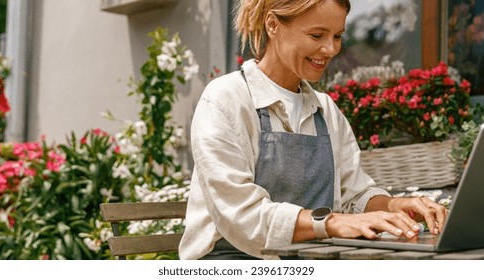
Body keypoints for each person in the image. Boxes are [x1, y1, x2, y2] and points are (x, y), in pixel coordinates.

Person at [179, 0, 448, 260]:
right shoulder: (226, 99)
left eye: (338, 36)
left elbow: (355, 193)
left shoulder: (326, 109)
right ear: (273, 24)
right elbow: (241, 216)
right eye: (317, 35)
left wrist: (394, 206)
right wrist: (329, 223)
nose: (330, 49)